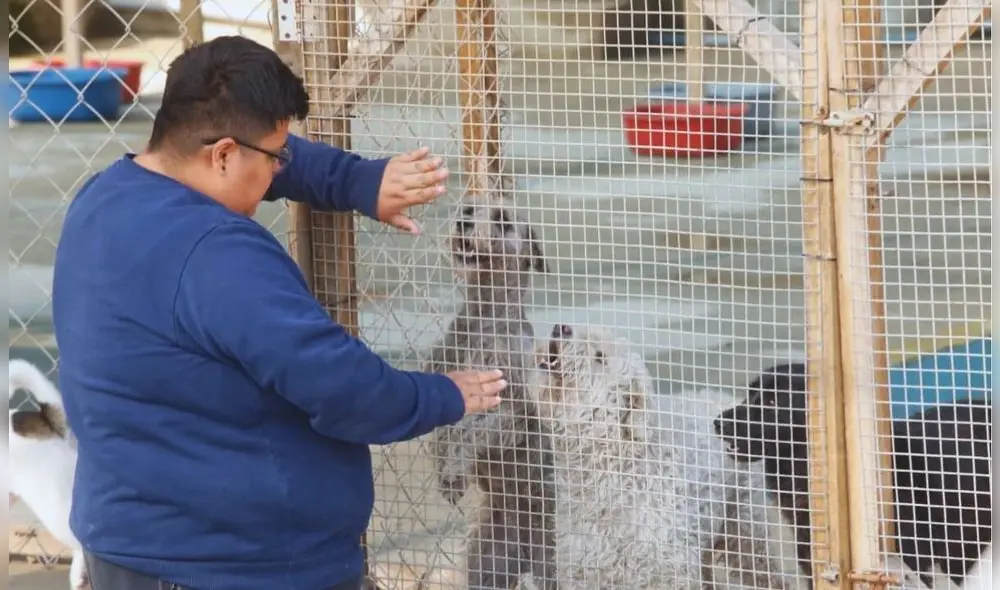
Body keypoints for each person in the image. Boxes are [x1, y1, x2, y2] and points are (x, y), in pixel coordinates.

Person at [51, 35, 506, 590]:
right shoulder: (220, 256)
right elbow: (347, 393)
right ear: (222, 153)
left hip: (129, 548)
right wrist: (445, 394)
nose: (280, 172)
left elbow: (251, 151)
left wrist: (355, 180)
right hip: (239, 568)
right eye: (275, 158)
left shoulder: (103, 197)